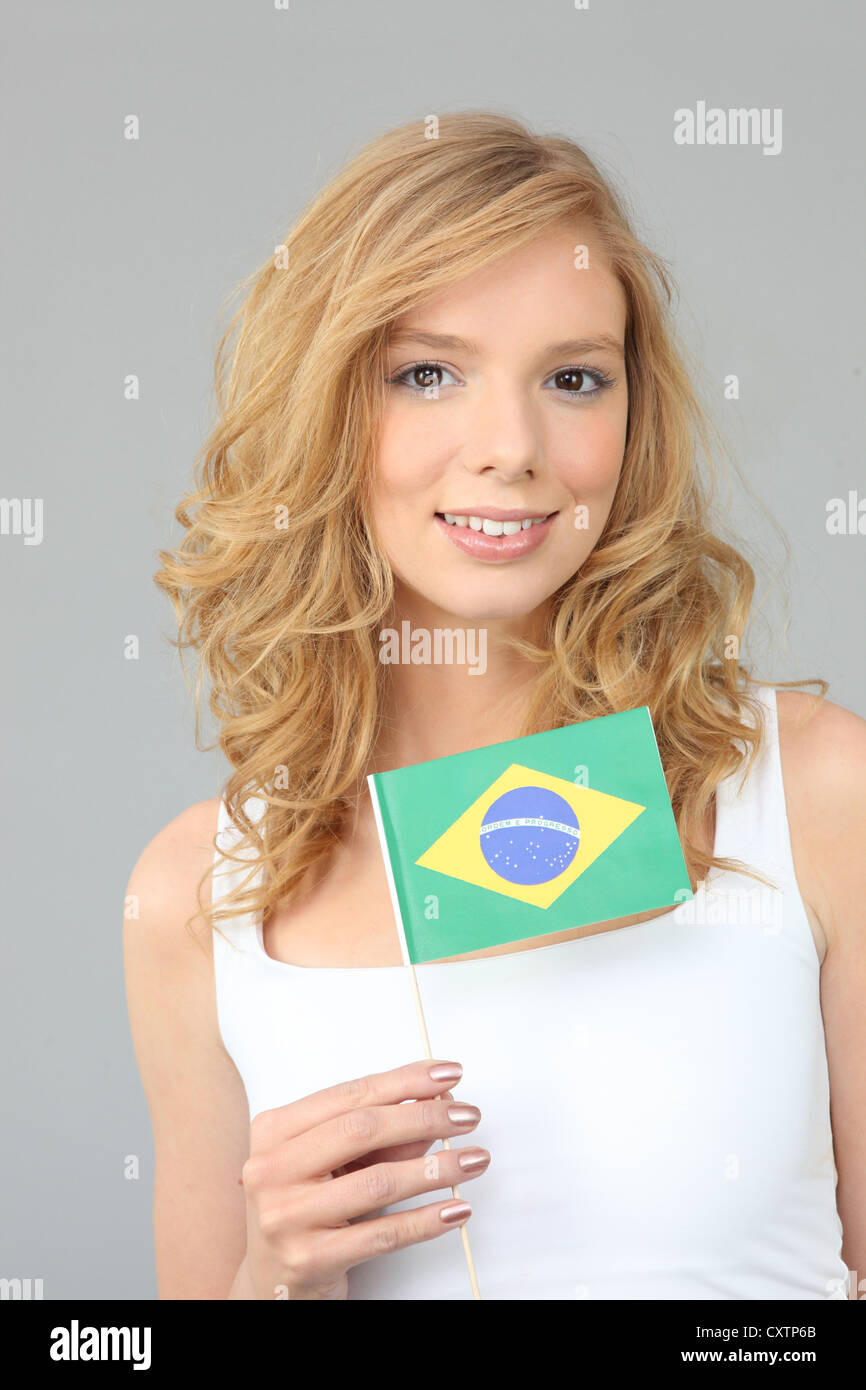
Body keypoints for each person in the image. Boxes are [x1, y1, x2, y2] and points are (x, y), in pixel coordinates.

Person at [123, 111, 866, 1301]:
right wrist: (272, 1279)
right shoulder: (194, 896)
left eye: (573, 378)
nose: (511, 446)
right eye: (428, 373)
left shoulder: (817, 795)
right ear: (324, 409)